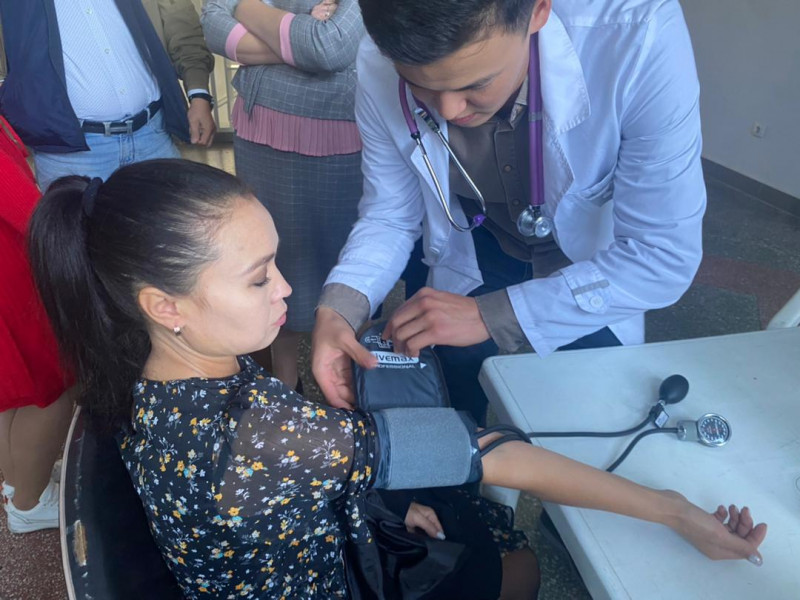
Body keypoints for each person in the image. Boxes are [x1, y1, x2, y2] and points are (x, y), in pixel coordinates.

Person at [28, 159, 765, 599]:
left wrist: (356, 494)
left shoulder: (139, 373)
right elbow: (487, 453)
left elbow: (281, 484)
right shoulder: (270, 438)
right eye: (259, 279)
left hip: (286, 546)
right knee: (519, 569)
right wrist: (672, 510)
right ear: (165, 304)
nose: (287, 290)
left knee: (440, 518)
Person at [311, 0, 707, 425]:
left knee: (590, 419)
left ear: (537, 12)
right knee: (450, 401)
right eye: (418, 86)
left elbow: (662, 254)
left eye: (476, 84)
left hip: (596, 263)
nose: (449, 111)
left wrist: (495, 315)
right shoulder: (380, 53)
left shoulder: (639, 33)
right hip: (479, 244)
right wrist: (340, 308)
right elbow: (390, 214)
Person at [201, 0, 365, 391]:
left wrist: (245, 7)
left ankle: (355, 381)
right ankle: (285, 383)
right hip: (258, 130)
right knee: (270, 254)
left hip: (339, 131)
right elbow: (214, 27)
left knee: (346, 257)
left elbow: (331, 48)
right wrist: (298, 39)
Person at [0, 0, 216, 191]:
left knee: (168, 224)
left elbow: (182, 25)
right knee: (81, 227)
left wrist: (198, 93)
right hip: (70, 154)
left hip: (153, 137)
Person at [0, 116, 74, 534]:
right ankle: (29, 504)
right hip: (11, 273)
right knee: (52, 385)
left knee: (15, 392)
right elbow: (26, 211)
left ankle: (22, 483)